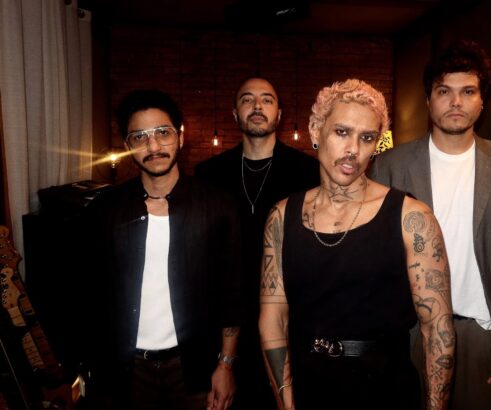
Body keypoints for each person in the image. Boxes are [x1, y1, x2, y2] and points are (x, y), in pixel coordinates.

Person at [370, 40, 491, 409]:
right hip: (413, 335)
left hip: (486, 335)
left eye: (468, 91)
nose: (455, 102)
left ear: (482, 101)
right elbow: (374, 258)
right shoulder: (391, 165)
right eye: (444, 91)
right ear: (428, 100)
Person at [259, 79, 455, 410]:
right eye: (342, 132)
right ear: (315, 131)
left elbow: (437, 330)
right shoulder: (282, 216)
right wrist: (286, 400)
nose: (353, 149)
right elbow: (272, 317)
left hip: (385, 389)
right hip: (309, 386)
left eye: (367, 138)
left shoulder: (411, 217)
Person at [84, 89, 241, 409]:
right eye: (139, 137)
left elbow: (232, 293)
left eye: (163, 133)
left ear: (180, 136)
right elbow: (88, 292)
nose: (153, 146)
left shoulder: (217, 205)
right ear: (128, 146)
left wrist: (225, 364)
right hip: (124, 372)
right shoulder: (105, 210)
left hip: (193, 369)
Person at [194, 77, 319, 409]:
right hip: (227, 316)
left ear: (279, 114)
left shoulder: (308, 172)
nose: (257, 106)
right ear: (235, 114)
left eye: (267, 99)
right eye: (247, 99)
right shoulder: (208, 174)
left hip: (290, 316)